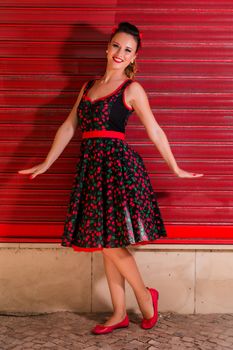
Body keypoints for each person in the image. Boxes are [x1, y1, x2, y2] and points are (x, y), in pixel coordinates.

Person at [18, 22, 203, 335]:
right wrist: (47, 162)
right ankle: (119, 312)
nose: (120, 53)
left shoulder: (132, 89)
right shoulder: (88, 87)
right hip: (91, 170)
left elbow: (155, 130)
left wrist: (175, 167)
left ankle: (145, 296)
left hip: (117, 170)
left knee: (110, 243)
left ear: (133, 58)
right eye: (116, 46)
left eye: (127, 50)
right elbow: (68, 126)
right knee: (106, 241)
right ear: (107, 48)